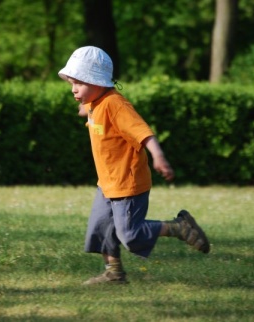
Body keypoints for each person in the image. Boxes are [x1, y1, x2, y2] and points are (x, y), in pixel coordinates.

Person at [58, 46, 210, 285]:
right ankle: (114, 273)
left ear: (97, 81)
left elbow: (144, 133)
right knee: (101, 229)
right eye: (71, 83)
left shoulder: (115, 105)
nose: (74, 89)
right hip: (107, 183)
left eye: (79, 83)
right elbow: (90, 110)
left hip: (128, 185)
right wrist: (84, 108)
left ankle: (179, 227)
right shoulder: (95, 101)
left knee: (130, 234)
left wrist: (158, 157)